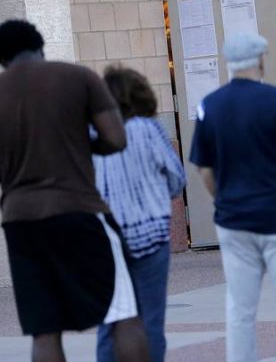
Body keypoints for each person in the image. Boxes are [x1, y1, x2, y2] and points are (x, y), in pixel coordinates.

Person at [0, 20, 150, 362]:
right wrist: (82, 145)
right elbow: (116, 137)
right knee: (123, 312)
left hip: (20, 220)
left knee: (44, 329)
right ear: (40, 46)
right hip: (79, 209)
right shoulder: (78, 77)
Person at [189, 31, 276, 362]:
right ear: (261, 61)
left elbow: (204, 169)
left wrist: (222, 198)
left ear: (229, 64)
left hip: (234, 219)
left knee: (239, 306)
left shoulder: (209, 107)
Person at [95, 66, 187, 362]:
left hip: (107, 239)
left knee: (109, 323)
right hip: (151, 236)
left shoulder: (89, 134)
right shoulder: (148, 129)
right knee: (151, 321)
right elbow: (176, 177)